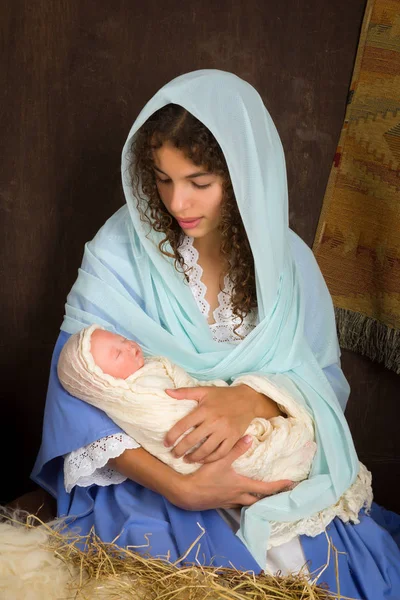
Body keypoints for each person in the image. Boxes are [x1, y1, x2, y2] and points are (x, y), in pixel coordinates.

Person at [31, 70, 400, 597]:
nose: (177, 203)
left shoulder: (288, 261)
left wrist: (252, 400)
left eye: (199, 182)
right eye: (162, 178)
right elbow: (75, 384)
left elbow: (321, 383)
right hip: (152, 477)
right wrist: (183, 488)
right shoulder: (121, 247)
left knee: (331, 569)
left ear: (243, 173)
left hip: (271, 464)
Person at [56, 323, 317, 493]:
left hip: (231, 408)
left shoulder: (149, 369)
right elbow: (171, 427)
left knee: (279, 433)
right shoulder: (133, 401)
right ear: (103, 383)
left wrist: (236, 399)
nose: (129, 347)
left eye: (123, 339)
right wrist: (183, 488)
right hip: (197, 458)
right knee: (255, 449)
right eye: (117, 354)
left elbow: (188, 385)